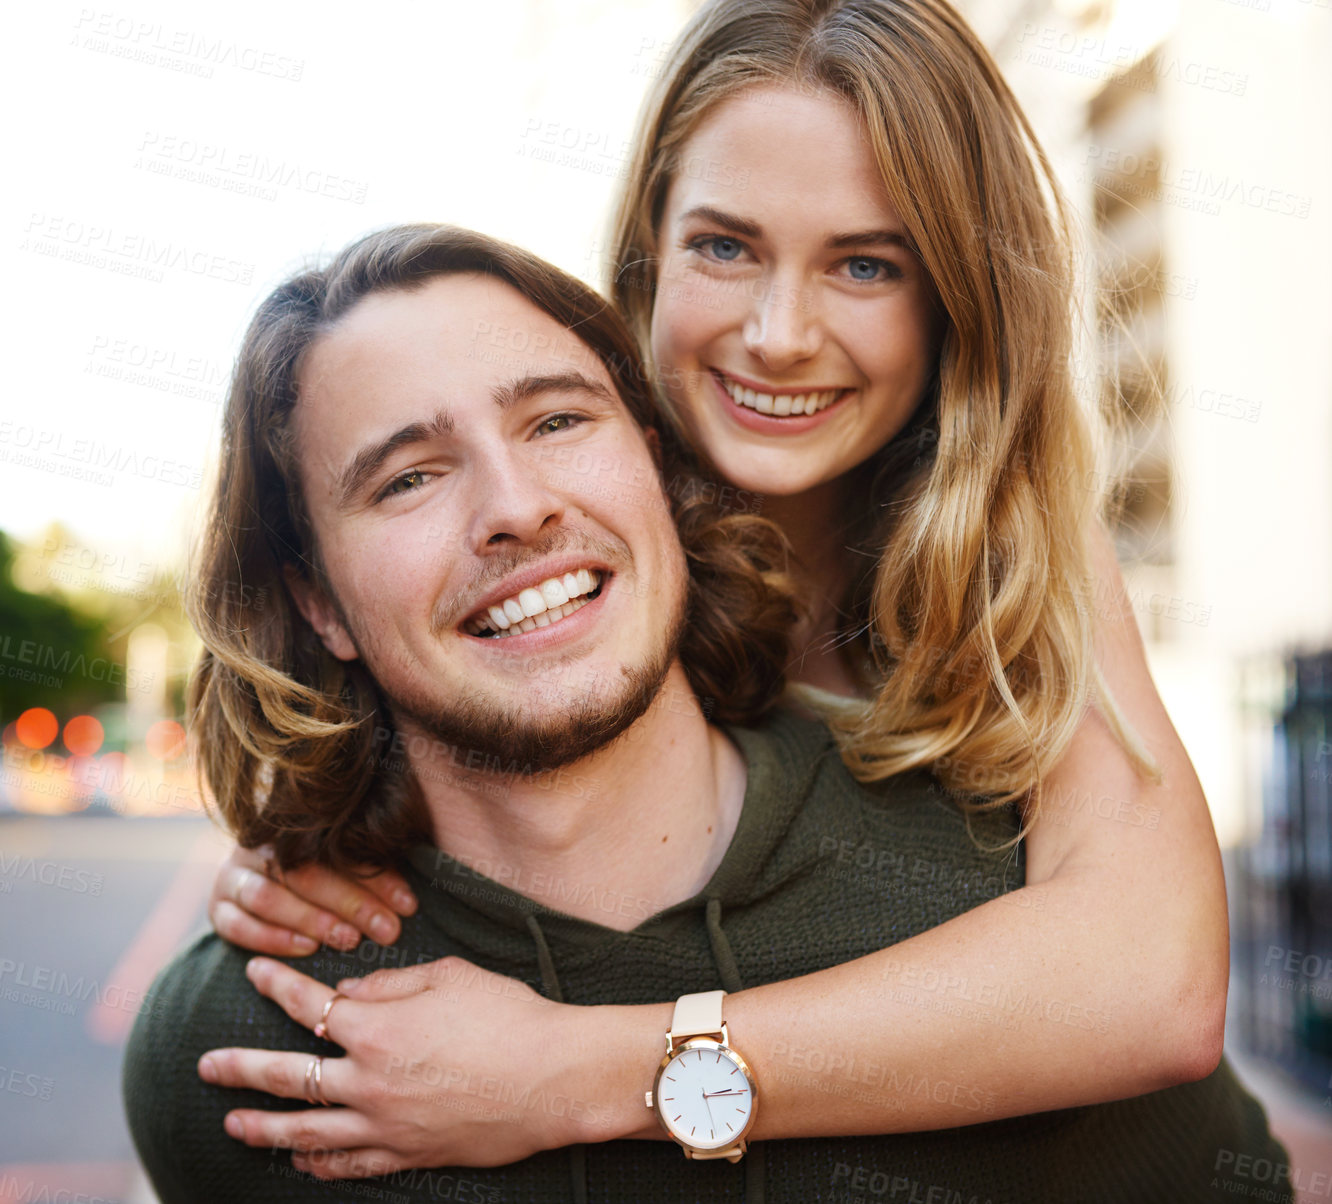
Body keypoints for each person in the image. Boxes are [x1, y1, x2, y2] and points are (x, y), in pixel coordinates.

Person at [201, 0, 1250, 1179]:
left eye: (864, 263)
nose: (778, 333)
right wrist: (308, 836)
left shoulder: (1013, 549)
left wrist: (578, 1072)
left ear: (954, 298)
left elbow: (1151, 984)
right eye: (725, 246)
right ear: (650, 250)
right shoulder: (569, 523)